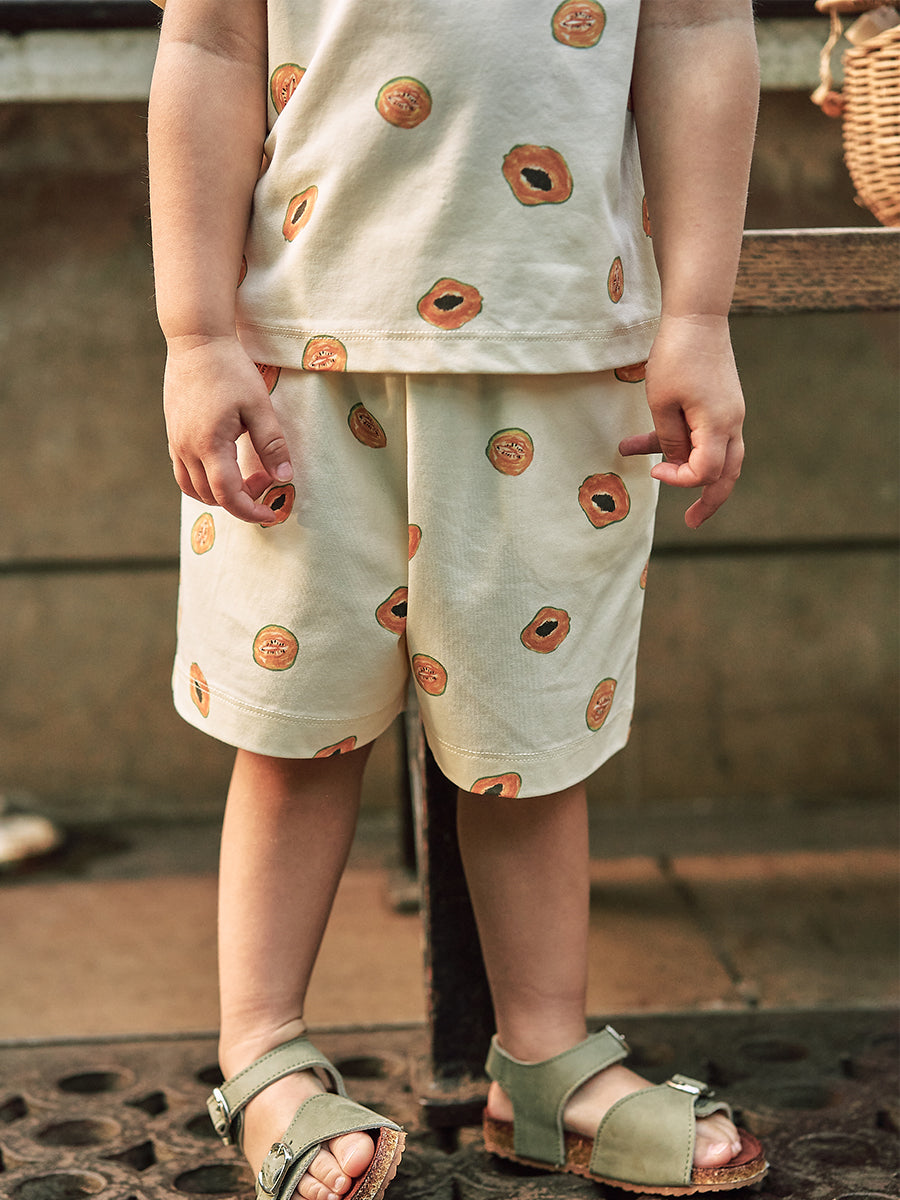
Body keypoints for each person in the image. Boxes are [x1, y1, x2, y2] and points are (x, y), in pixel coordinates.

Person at [147, 1, 765, 1196]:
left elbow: (697, 29)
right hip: (297, 355)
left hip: (556, 340)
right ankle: (262, 1051)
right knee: (294, 728)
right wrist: (195, 335)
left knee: (530, 737)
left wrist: (697, 316)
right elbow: (208, 44)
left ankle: (544, 1060)